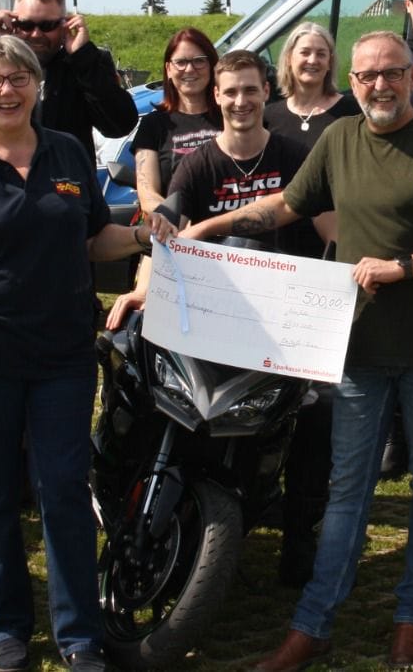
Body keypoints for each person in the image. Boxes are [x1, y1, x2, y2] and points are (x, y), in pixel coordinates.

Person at [169, 31, 413, 671]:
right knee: (347, 489)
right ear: (354, 80)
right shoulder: (340, 139)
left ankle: (412, 618)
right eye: (367, 75)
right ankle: (312, 625)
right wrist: (207, 226)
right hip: (356, 344)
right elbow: (284, 207)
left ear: (412, 78)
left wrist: (404, 267)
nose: (379, 85)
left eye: (392, 73)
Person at [0, 35, 153, 672]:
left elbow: (94, 238)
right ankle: (7, 628)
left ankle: (79, 634)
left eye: (19, 78)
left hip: (62, 357)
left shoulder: (67, 152)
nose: (7, 91)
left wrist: (142, 236)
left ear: (37, 85)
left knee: (65, 490)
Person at [142, 49, 332, 587]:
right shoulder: (198, 164)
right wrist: (140, 287)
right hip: (216, 318)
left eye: (250, 90)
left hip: (285, 316)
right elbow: (166, 227)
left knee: (318, 414)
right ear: (216, 97)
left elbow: (332, 232)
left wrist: (342, 277)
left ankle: (300, 535)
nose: (240, 101)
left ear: (266, 92)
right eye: (230, 92)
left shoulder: (296, 155)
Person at [0, 0, 138, 159]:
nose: (35, 34)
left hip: (63, 180)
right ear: (12, 24)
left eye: (47, 25)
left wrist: (83, 57)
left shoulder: (83, 64)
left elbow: (120, 125)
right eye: (26, 25)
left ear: (65, 25)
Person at [109, 27, 224, 322]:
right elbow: (147, 192)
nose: (190, 69)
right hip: (172, 242)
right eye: (181, 62)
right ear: (168, 69)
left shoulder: (230, 116)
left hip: (228, 244)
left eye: (199, 61)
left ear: (212, 65)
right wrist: (171, 225)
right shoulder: (154, 125)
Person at [263, 21, 362, 147]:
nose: (313, 60)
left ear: (329, 62)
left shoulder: (353, 112)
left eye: (321, 54)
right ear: (289, 58)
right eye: (305, 52)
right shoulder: (269, 117)